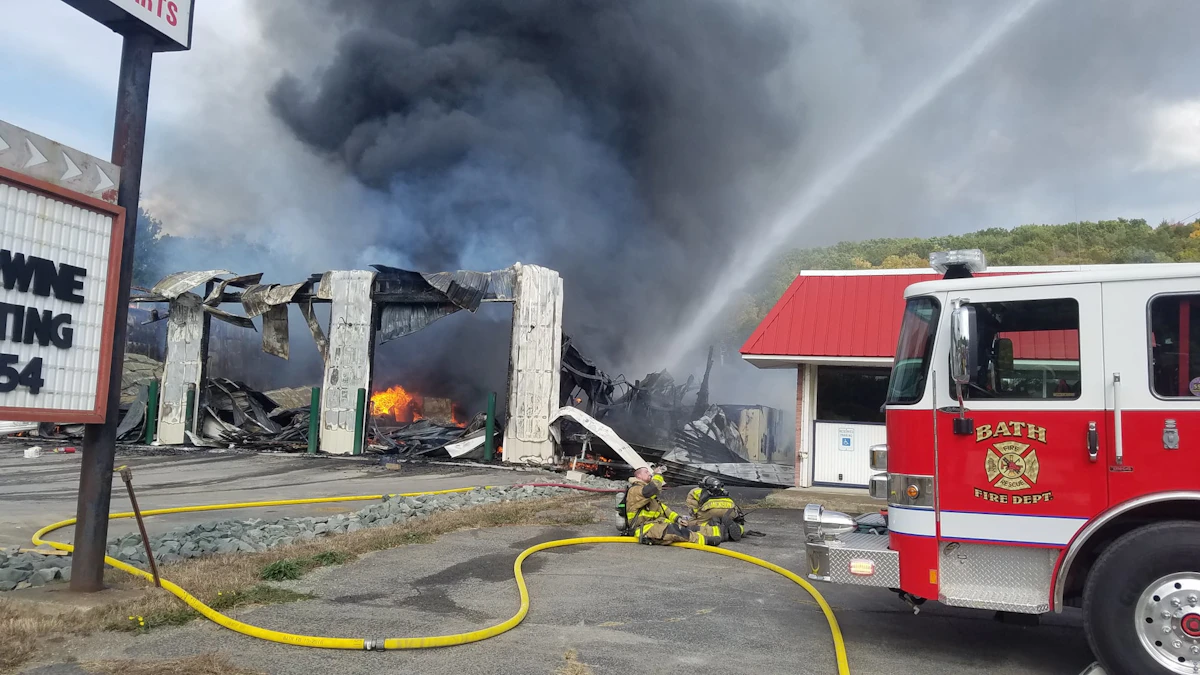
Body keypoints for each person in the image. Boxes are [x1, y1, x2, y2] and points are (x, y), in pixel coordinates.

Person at [622, 466, 712, 546]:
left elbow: (664, 509)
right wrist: (658, 474)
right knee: (673, 531)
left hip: (654, 524)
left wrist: (678, 519)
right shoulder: (635, 490)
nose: (649, 473)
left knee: (687, 527)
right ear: (639, 476)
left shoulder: (647, 494)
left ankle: (715, 533)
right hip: (643, 528)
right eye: (646, 472)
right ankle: (705, 540)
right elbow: (653, 488)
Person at [684, 476, 746, 544]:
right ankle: (740, 529)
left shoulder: (695, 491)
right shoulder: (723, 490)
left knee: (693, 524)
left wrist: (694, 519)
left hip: (711, 511)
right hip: (729, 512)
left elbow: (693, 509)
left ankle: (716, 527)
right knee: (730, 521)